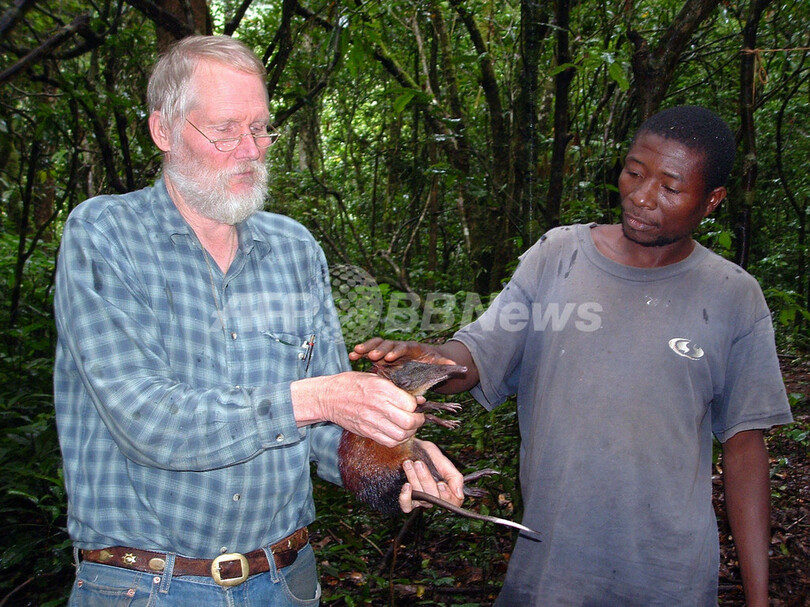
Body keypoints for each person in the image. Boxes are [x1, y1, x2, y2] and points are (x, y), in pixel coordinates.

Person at [53, 35, 463, 607]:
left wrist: (403, 463)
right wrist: (316, 398)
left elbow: (327, 431)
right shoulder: (105, 235)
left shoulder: (294, 249)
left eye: (262, 128)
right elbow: (143, 419)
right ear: (163, 131)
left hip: (284, 580)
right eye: (225, 129)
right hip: (147, 584)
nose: (251, 149)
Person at [353, 106, 794, 606]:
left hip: (670, 575)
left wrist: (759, 597)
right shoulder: (558, 257)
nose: (642, 197)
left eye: (670, 188)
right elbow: (474, 355)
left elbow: (745, 449)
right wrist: (423, 362)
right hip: (553, 570)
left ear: (712, 200)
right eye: (633, 172)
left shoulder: (734, 295)